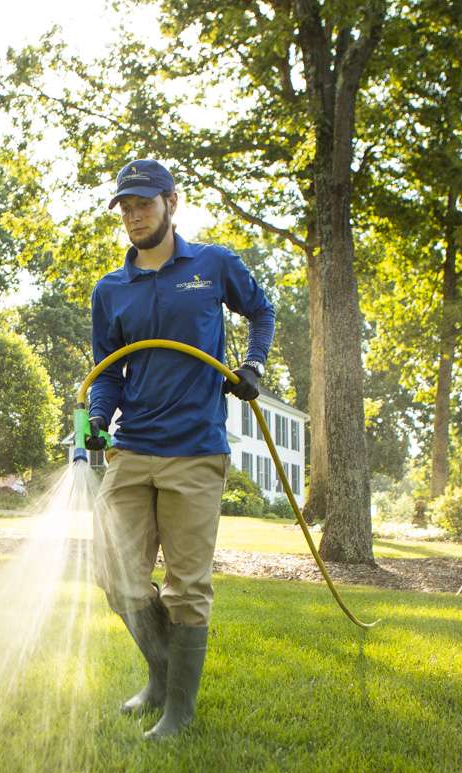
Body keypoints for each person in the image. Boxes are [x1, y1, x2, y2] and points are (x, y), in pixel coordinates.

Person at [85, 158, 275, 739]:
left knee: (187, 586)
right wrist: (96, 418)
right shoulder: (110, 289)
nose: (135, 215)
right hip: (134, 446)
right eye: (126, 206)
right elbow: (108, 371)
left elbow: (262, 310)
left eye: (145, 203)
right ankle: (162, 677)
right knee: (115, 572)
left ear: (172, 202)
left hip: (195, 448)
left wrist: (252, 365)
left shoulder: (213, 264)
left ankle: (178, 710)